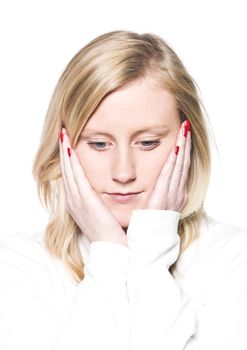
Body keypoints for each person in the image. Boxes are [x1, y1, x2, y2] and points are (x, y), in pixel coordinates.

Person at [0, 30, 246, 350]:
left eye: (147, 143)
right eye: (99, 144)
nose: (123, 172)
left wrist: (152, 249)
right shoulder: (19, 265)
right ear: (63, 146)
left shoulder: (233, 259)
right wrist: (109, 252)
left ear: (187, 139)